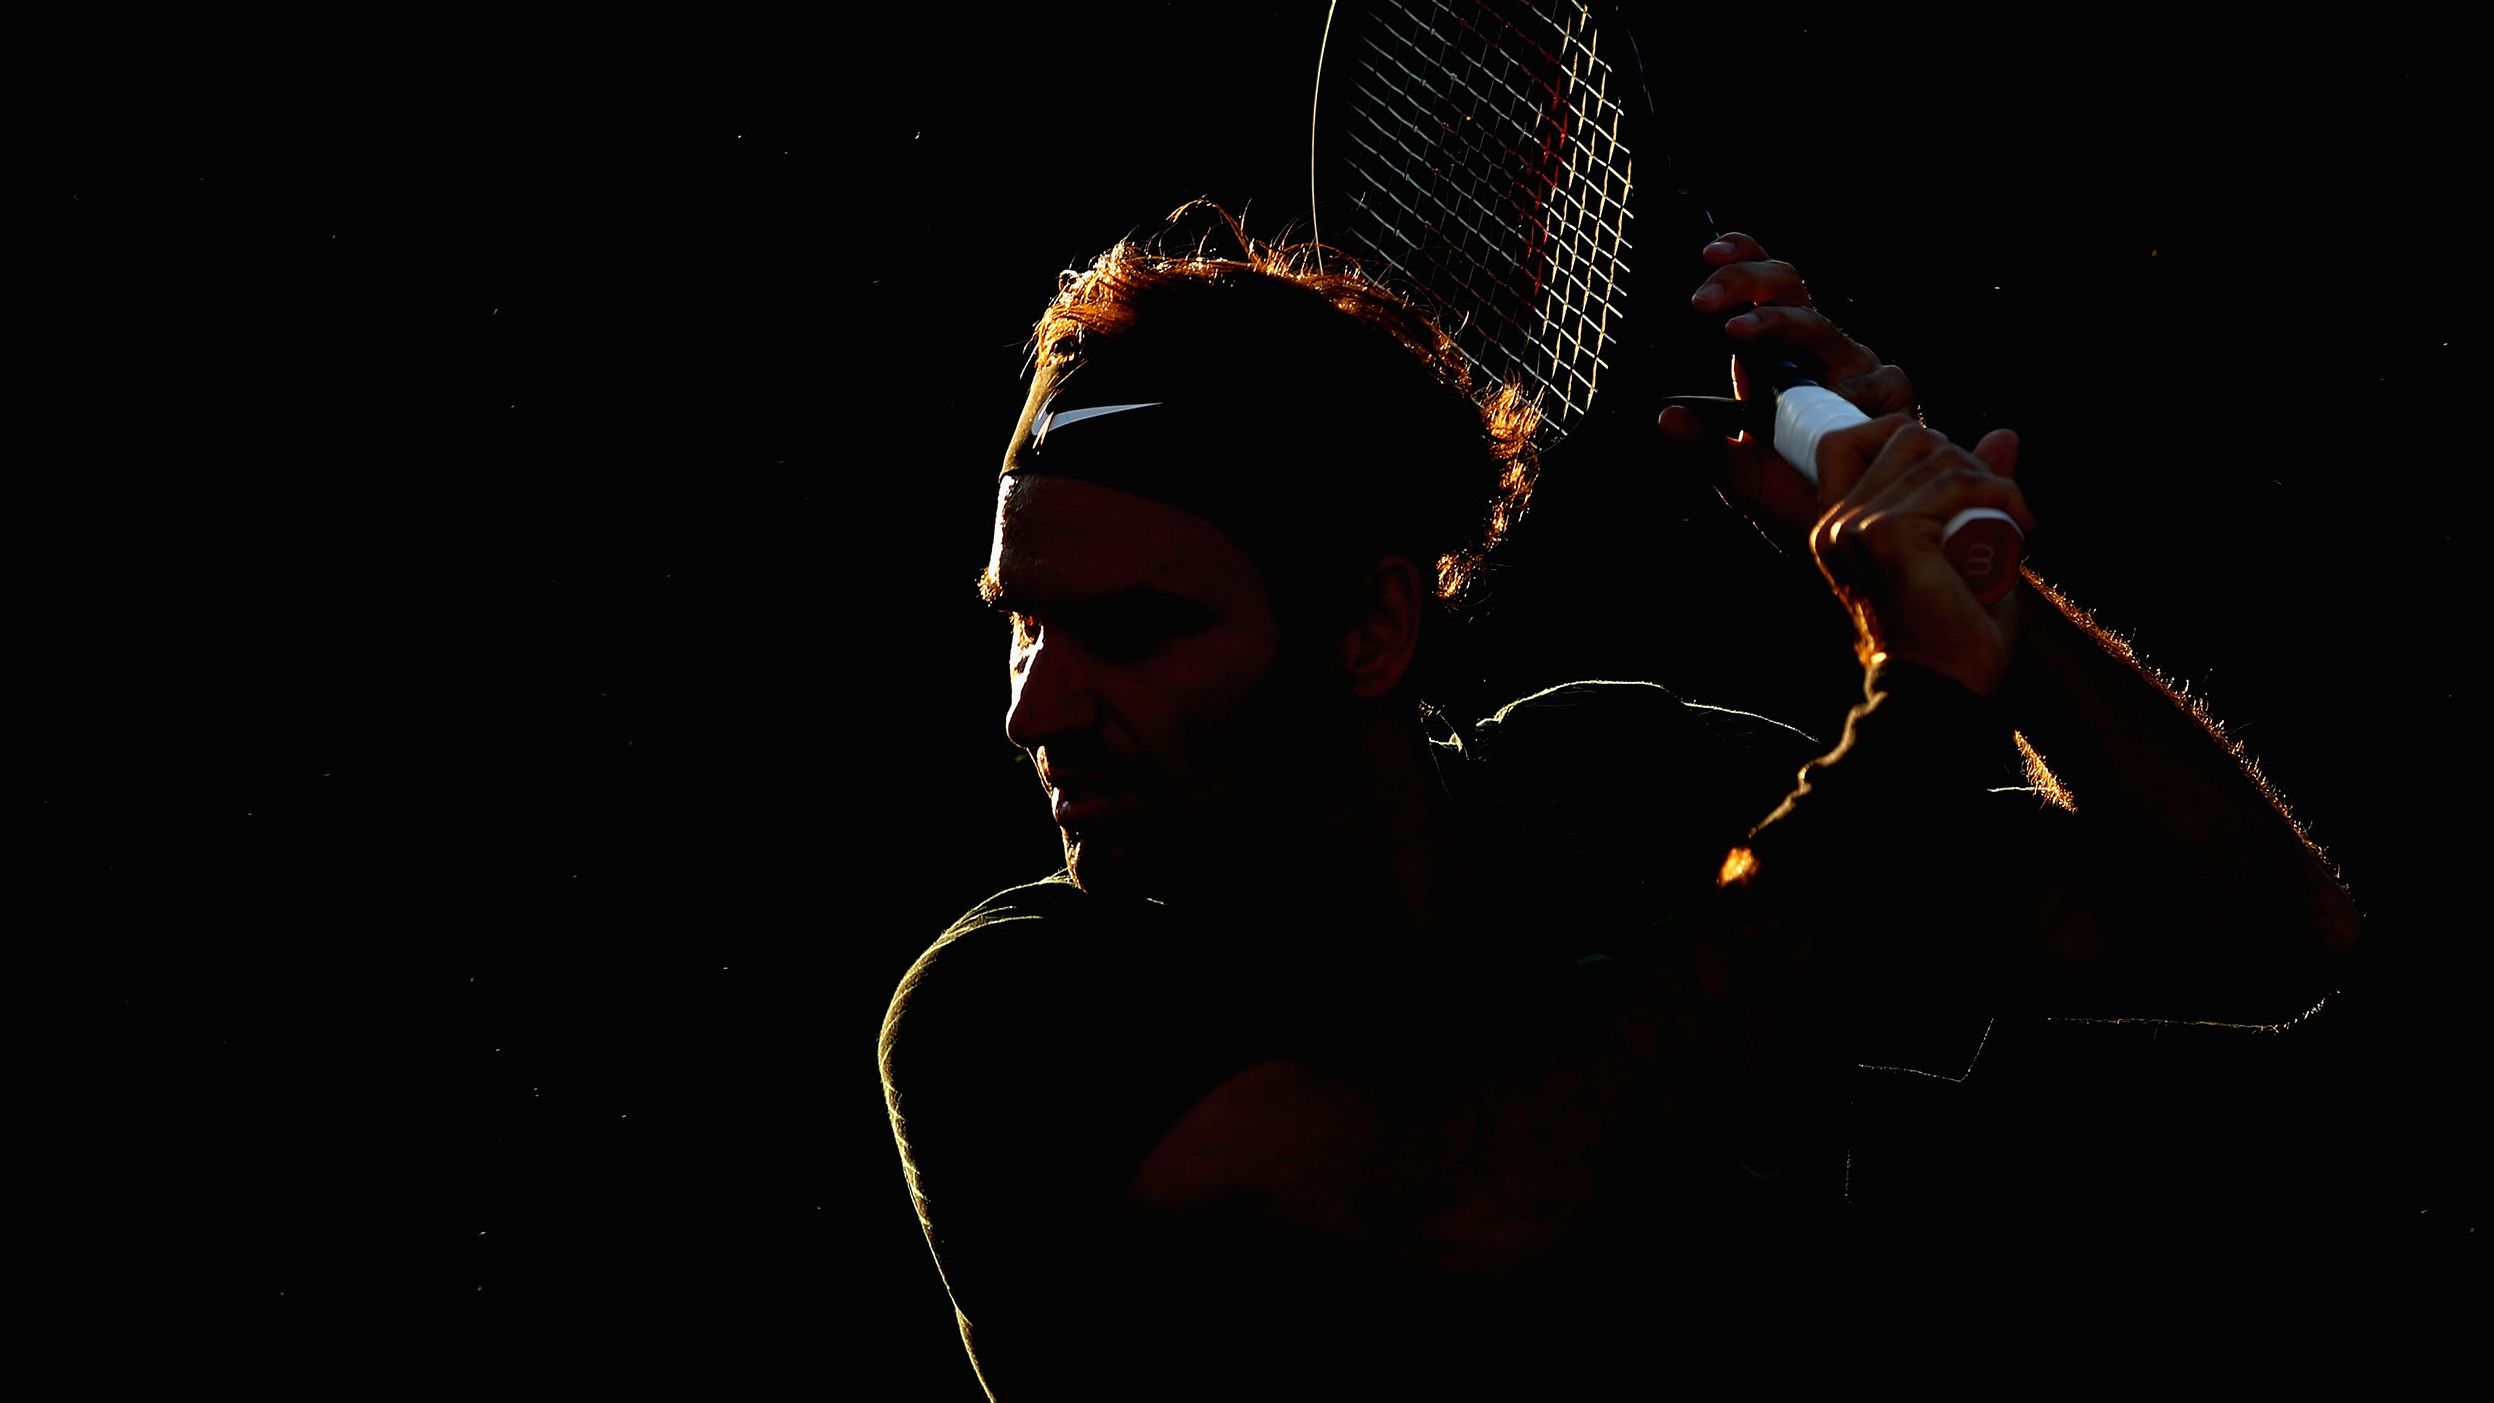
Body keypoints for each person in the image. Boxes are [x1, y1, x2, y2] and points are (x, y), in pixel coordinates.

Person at [877, 218, 2360, 1397]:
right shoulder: (1008, 1011)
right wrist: (1916, 702)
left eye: (1128, 634)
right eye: (1024, 624)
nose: (1032, 709)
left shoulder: (1631, 791)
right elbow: (1475, 1214)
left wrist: (1977, 589)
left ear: (1370, 632)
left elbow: (2258, 940)